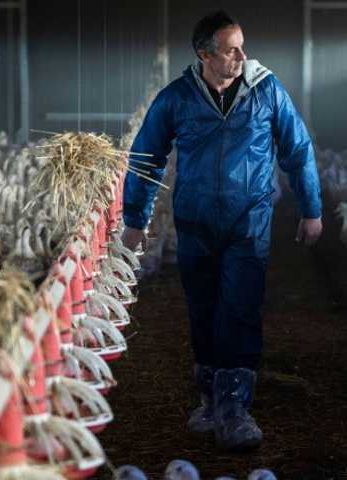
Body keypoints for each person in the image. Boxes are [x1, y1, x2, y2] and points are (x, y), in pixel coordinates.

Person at [120, 9, 322, 451]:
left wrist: (311, 208)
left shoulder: (267, 90)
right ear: (205, 55)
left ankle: (235, 408)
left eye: (242, 48)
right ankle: (210, 399)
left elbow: (297, 148)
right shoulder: (177, 98)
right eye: (231, 50)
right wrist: (134, 220)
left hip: (248, 221)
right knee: (203, 308)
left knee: (240, 308)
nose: (241, 57)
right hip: (195, 223)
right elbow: (146, 157)